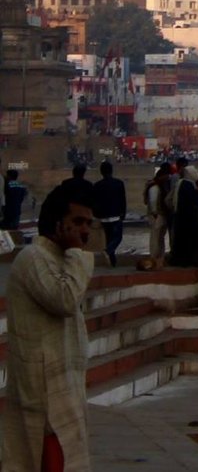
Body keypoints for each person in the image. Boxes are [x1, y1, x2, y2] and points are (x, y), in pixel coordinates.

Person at [0, 182, 96, 471]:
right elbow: (64, 299)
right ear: (57, 224)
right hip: (42, 400)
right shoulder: (33, 258)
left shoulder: (60, 260)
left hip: (64, 394)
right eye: (77, 222)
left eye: (88, 223)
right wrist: (79, 254)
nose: (84, 231)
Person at [92, 161, 128, 266]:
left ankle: (112, 262)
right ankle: (107, 251)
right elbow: (123, 200)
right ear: (112, 171)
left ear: (101, 172)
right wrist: (123, 213)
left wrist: (97, 214)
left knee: (108, 239)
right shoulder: (119, 183)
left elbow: (94, 201)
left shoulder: (97, 185)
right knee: (117, 237)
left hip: (103, 217)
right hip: (116, 215)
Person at [168, 166, 198, 267]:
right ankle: (186, 261)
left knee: (179, 240)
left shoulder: (181, 183)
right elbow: (196, 201)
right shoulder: (188, 185)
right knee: (187, 240)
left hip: (180, 216)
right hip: (187, 217)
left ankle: (178, 260)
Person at [144, 165, 172, 267]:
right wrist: (155, 214)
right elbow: (152, 202)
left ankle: (160, 258)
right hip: (157, 216)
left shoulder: (159, 185)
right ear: (162, 175)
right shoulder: (155, 186)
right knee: (156, 238)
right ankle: (154, 258)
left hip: (160, 215)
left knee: (160, 238)